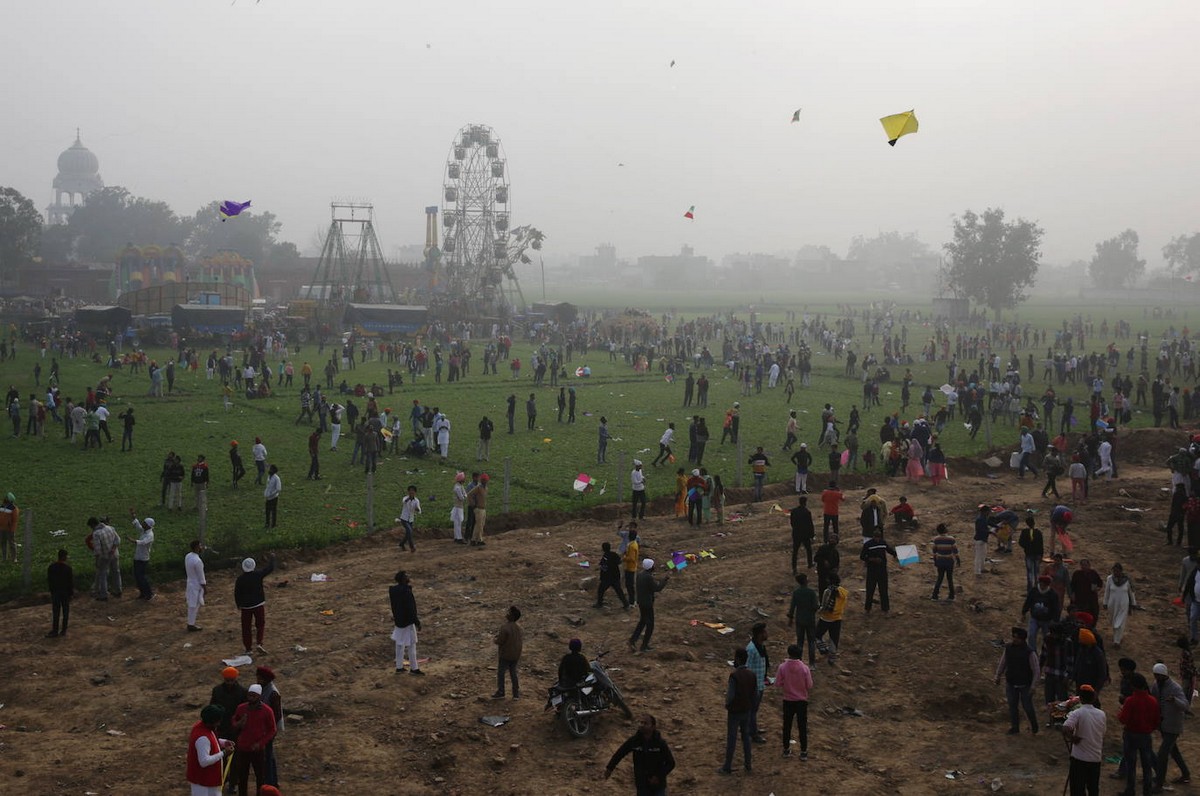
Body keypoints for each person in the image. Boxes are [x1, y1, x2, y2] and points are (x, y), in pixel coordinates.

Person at [604, 714, 676, 796]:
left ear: (653, 727)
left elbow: (671, 763)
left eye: (645, 723)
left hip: (658, 785)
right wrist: (609, 768)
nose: (642, 725)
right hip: (642, 784)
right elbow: (620, 753)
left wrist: (658, 776)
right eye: (641, 722)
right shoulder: (634, 741)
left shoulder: (660, 743)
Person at [232, 683, 278, 796]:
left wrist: (261, 743)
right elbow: (233, 722)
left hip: (258, 750)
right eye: (249, 695)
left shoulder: (267, 711)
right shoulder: (241, 708)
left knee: (260, 777)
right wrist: (239, 723)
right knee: (242, 776)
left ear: (259, 696)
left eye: (254, 696)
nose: (251, 698)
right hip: (243, 748)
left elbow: (272, 730)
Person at [1118, 673, 1160, 796]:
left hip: (1131, 735)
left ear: (1133, 686)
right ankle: (1147, 791)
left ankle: (1130, 790)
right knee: (1147, 766)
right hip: (1146, 735)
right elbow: (1156, 721)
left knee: (1131, 765)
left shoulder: (1130, 701)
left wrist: (1119, 713)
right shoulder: (1153, 701)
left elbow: (1123, 719)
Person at [1151, 662, 1191, 790]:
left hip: (1173, 726)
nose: (1156, 678)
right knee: (1174, 752)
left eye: (1158, 675)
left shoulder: (1175, 688)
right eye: (1155, 675)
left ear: (1164, 675)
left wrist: (1175, 701)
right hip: (1163, 725)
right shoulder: (1156, 686)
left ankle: (1159, 782)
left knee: (1163, 754)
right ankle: (1186, 774)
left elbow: (1185, 705)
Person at [994, 626, 1041, 735]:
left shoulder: (1030, 653)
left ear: (1023, 639)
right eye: (1014, 637)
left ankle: (1034, 726)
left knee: (1027, 707)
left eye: (1017, 637)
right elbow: (1003, 663)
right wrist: (997, 676)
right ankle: (1015, 727)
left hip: (1025, 684)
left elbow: (1036, 671)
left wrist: (1033, 686)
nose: (1015, 639)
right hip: (1011, 682)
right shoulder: (1008, 648)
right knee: (1012, 706)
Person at [1063, 685, 1106, 796]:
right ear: (1093, 699)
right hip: (1095, 758)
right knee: (1093, 789)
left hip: (1079, 759)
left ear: (1080, 699)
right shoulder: (1102, 714)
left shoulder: (1078, 713)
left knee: (1077, 789)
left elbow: (1065, 728)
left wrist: (1072, 738)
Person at [720, 647, 757, 775]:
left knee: (732, 738)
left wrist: (727, 704)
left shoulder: (734, 676)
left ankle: (727, 766)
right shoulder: (752, 675)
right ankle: (748, 764)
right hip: (746, 710)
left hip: (735, 711)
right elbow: (754, 694)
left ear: (738, 659)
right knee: (745, 737)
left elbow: (730, 695)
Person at [774, 643, 813, 759]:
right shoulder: (805, 668)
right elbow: (809, 685)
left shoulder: (782, 667)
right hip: (801, 701)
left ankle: (786, 749)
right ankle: (803, 752)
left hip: (788, 700)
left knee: (787, 725)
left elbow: (777, 683)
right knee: (802, 726)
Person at [187, 704, 234, 796]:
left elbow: (212, 741)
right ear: (210, 722)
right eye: (217, 721)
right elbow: (204, 761)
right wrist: (224, 753)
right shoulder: (202, 738)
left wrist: (224, 742)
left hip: (209, 778)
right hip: (203, 781)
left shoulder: (202, 727)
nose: (219, 724)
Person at [235, 555, 275, 655]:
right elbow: (269, 569)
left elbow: (237, 593)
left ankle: (248, 649)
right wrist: (272, 559)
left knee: (246, 627)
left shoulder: (240, 579)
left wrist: (238, 604)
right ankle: (259, 643)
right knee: (260, 624)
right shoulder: (258, 575)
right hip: (258, 604)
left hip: (245, 607)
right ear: (253, 565)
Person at [629, 558, 668, 653]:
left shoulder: (640, 575)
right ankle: (644, 645)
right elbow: (657, 588)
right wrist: (664, 580)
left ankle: (633, 640)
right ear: (651, 567)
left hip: (641, 602)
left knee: (642, 622)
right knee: (650, 625)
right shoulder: (648, 577)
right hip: (647, 603)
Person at [255, 666, 284, 788]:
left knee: (267, 756)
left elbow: (276, 714)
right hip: (264, 728)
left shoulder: (272, 693)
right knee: (269, 755)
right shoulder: (263, 688)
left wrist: (268, 729)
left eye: (260, 678)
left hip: (269, 730)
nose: (257, 680)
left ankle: (270, 782)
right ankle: (272, 782)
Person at [389, 570, 423, 674]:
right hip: (408, 621)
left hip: (399, 621)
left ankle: (399, 667)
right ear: (403, 579)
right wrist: (417, 622)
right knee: (412, 645)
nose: (408, 577)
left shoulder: (393, 591)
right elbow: (410, 608)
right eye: (406, 576)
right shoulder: (406, 592)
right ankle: (414, 668)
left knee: (399, 644)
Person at [745, 622, 770, 744]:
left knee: (754, 710)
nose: (766, 634)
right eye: (764, 632)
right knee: (752, 711)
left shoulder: (760, 646)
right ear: (760, 634)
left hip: (760, 684)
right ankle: (753, 733)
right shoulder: (751, 649)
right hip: (753, 686)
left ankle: (752, 729)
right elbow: (746, 667)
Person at [1103, 563, 1139, 649]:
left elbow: (1131, 593)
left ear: (1121, 571)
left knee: (1119, 623)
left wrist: (1133, 603)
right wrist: (1105, 602)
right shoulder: (1109, 579)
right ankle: (1117, 637)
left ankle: (1117, 642)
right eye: (1114, 571)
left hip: (1123, 605)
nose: (1115, 572)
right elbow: (1107, 592)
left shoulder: (1127, 580)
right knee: (1114, 622)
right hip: (1112, 604)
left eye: (1117, 571)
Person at [1022, 575, 1061, 651]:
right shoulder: (1034, 591)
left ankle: (1046, 652)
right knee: (1031, 635)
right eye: (1041, 584)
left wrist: (1055, 620)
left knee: (1047, 638)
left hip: (1047, 620)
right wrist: (1024, 612)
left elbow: (1056, 608)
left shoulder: (1053, 594)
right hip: (1035, 618)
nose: (1042, 586)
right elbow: (1028, 601)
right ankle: (1032, 652)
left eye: (1044, 585)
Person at [786, 574, 819, 664]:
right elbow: (815, 606)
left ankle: (799, 661)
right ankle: (812, 663)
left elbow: (792, 607)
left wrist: (790, 619)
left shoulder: (796, 593)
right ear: (805, 580)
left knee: (799, 641)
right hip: (810, 619)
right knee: (811, 641)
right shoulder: (811, 592)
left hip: (799, 619)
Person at [492, 605, 523, 700]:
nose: (507, 614)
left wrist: (495, 639)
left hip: (505, 654)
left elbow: (500, 641)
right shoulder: (519, 628)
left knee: (501, 673)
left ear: (512, 616)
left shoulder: (505, 627)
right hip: (516, 655)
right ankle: (516, 694)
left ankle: (501, 692)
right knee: (513, 672)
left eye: (509, 612)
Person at [88, 516, 121, 599]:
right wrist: (113, 549)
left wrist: (97, 561)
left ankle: (104, 595)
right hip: (114, 554)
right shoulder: (110, 528)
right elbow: (118, 540)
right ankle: (118, 591)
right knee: (116, 572)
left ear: (92, 525)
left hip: (104, 556)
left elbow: (98, 550)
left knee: (103, 574)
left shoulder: (96, 533)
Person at [127, 511, 155, 601]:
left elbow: (143, 542)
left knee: (141, 577)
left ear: (148, 525)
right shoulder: (145, 531)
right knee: (138, 577)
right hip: (138, 557)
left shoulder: (150, 535)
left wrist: (132, 540)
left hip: (143, 558)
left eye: (144, 523)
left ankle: (149, 593)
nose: (143, 524)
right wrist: (134, 517)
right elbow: (138, 526)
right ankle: (143, 593)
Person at [46, 548, 73, 637]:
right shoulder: (68, 568)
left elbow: (49, 581)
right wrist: (71, 593)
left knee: (56, 612)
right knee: (65, 612)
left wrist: (51, 591)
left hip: (56, 592)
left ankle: (55, 630)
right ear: (64, 557)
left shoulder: (51, 567)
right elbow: (70, 582)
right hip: (65, 593)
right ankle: (64, 630)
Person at [930, 523, 960, 601]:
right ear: (945, 529)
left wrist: (935, 561)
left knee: (940, 578)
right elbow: (955, 551)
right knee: (949, 578)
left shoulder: (936, 539)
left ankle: (934, 596)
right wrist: (958, 560)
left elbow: (934, 551)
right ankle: (951, 596)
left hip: (940, 560)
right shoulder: (951, 539)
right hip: (949, 561)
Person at [596, 541, 629, 609]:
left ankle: (599, 603)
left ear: (603, 549)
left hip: (607, 578)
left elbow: (603, 567)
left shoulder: (605, 557)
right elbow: (619, 562)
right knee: (619, 591)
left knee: (601, 591)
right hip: (615, 577)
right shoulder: (614, 554)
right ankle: (626, 604)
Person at [1018, 514, 1045, 591]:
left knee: (1030, 572)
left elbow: (1021, 543)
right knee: (1037, 572)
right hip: (1037, 554)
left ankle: (1030, 590)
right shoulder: (1038, 532)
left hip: (1029, 554)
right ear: (1034, 523)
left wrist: (1026, 547)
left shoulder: (1024, 532)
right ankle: (1037, 588)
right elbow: (1041, 544)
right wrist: (1041, 555)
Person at [790, 496, 815, 572]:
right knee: (808, 549)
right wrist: (812, 535)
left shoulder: (794, 511)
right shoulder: (807, 512)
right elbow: (810, 524)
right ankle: (810, 563)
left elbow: (792, 522)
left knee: (795, 551)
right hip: (805, 534)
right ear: (805, 503)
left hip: (796, 533)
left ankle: (794, 567)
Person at [185, 539, 206, 632]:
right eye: (200, 546)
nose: (201, 547)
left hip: (190, 582)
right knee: (194, 605)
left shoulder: (188, 556)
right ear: (197, 547)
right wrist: (205, 588)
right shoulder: (198, 561)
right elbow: (201, 576)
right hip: (196, 585)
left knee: (191, 604)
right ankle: (191, 624)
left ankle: (191, 623)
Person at [813, 533, 840, 598]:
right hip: (823, 572)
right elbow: (816, 558)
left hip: (831, 573)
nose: (832, 540)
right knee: (822, 588)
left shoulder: (835, 551)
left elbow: (837, 562)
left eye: (834, 539)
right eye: (831, 538)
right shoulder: (823, 548)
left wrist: (836, 569)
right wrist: (823, 561)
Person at [622, 525, 640, 607]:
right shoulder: (634, 544)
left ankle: (632, 602)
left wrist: (624, 557)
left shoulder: (632, 546)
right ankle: (632, 601)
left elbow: (632, 558)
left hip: (630, 567)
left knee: (630, 585)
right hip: (631, 567)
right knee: (630, 585)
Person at [398, 484, 420, 552]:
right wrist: (409, 498)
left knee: (408, 533)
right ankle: (412, 547)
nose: (411, 492)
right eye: (410, 491)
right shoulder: (405, 498)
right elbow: (404, 502)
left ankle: (402, 544)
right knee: (409, 531)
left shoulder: (416, 501)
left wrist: (417, 509)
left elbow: (419, 510)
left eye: (413, 491)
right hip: (404, 519)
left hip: (411, 519)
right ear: (408, 492)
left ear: (415, 492)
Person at [469, 473, 489, 546]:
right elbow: (470, 494)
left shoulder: (485, 488)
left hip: (483, 508)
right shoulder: (478, 487)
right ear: (482, 480)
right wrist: (473, 504)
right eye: (484, 480)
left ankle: (476, 539)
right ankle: (476, 540)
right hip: (478, 508)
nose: (485, 481)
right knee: (479, 525)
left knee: (481, 525)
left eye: (486, 480)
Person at [972, 503, 992, 575]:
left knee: (983, 555)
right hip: (980, 539)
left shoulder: (982, 517)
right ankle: (977, 571)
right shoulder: (981, 519)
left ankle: (982, 568)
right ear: (985, 511)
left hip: (982, 539)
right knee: (978, 556)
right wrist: (990, 531)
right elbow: (981, 530)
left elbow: (989, 523)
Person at [0, 492, 17, 562]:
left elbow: (14, 521)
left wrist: (12, 530)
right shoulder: (1, 506)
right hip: (1, 528)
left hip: (9, 529)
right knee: (3, 543)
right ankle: (4, 558)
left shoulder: (14, 509)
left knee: (12, 543)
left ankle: (14, 558)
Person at [450, 472, 467, 544]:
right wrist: (465, 496)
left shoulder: (458, 486)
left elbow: (464, 495)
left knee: (457, 523)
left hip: (457, 506)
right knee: (459, 522)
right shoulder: (458, 488)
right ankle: (459, 538)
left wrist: (464, 495)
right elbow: (462, 498)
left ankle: (457, 537)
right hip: (459, 507)